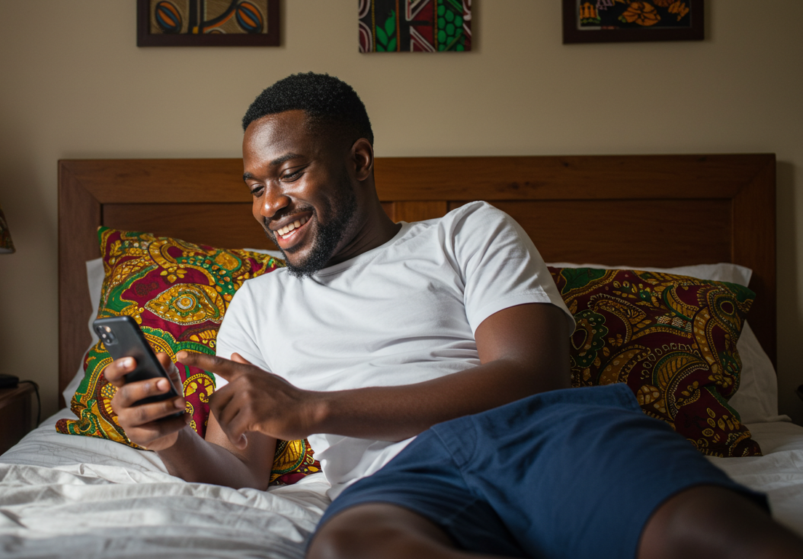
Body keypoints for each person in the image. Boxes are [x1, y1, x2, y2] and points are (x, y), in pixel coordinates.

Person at [104, 73, 803, 559]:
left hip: (539, 436)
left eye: (290, 173)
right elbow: (244, 471)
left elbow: (531, 374)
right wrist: (167, 439)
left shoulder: (465, 232)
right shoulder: (256, 303)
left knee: (705, 533)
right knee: (348, 546)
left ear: (360, 159)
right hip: (394, 484)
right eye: (256, 186)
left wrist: (315, 408)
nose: (269, 204)